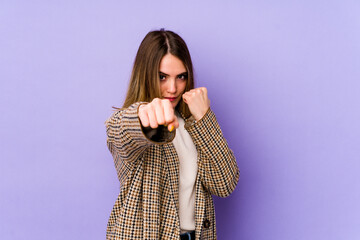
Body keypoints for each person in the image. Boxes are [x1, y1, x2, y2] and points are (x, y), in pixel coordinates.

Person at [105, 29, 239, 240]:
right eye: (162, 77)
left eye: (181, 77)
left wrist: (204, 118)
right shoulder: (133, 122)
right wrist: (142, 114)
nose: (173, 88)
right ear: (146, 75)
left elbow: (225, 184)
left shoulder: (194, 127)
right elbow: (121, 132)